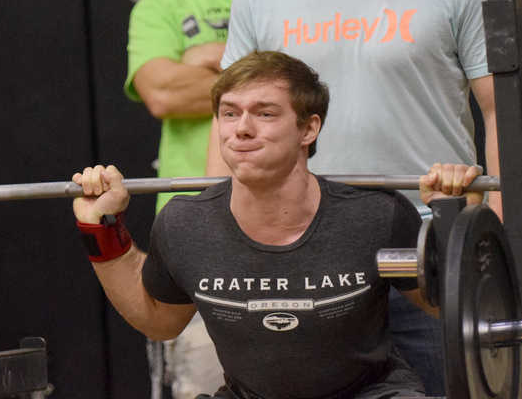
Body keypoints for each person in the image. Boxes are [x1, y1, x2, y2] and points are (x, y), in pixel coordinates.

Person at [204, 0, 522, 394]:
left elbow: (501, 110)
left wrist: (493, 240)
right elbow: (228, 117)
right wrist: (221, 244)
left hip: (429, 249)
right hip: (306, 256)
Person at [74, 51, 480, 398]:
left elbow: (444, 304)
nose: (242, 129)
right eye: (229, 114)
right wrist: (101, 230)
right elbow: (160, 321)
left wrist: (455, 219)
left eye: (264, 113)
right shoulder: (185, 223)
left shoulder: (375, 215)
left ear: (309, 128)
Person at [124, 0, 260, 398]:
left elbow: (308, 89)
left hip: (290, 229)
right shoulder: (160, 4)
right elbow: (160, 93)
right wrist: (255, 69)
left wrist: (215, 61)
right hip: (193, 235)